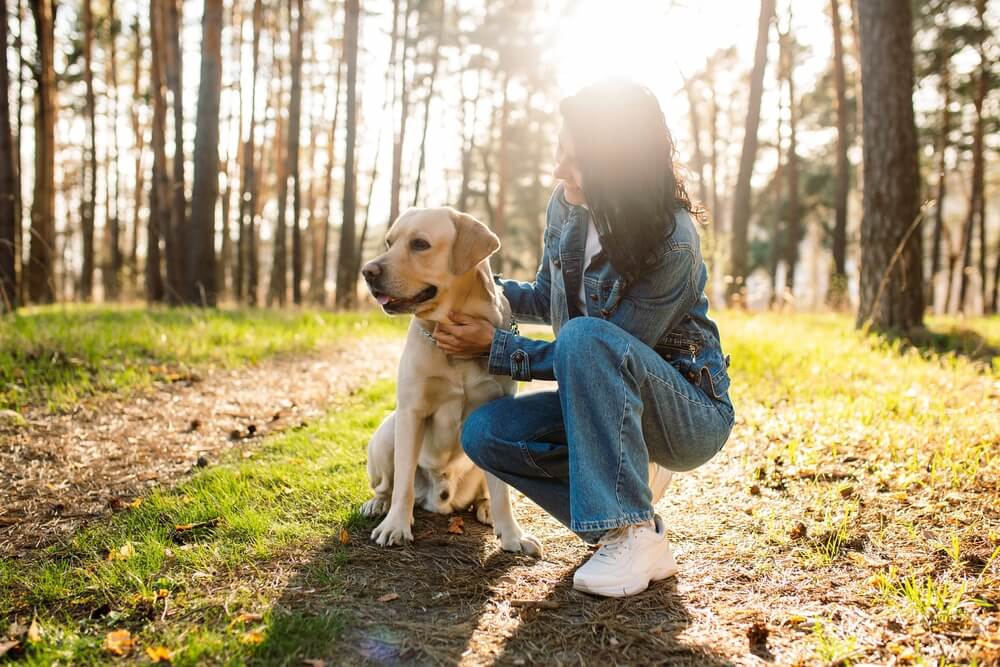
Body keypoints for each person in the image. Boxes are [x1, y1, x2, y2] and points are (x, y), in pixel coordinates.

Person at [432, 79, 735, 598]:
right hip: (604, 399)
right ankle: (625, 511)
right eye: (558, 152)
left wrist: (497, 348)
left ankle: (630, 530)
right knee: (484, 432)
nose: (558, 170)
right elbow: (544, 296)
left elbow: (597, 351)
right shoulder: (567, 205)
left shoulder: (674, 243)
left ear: (619, 165)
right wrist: (469, 286)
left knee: (583, 338)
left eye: (575, 161)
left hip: (685, 414)